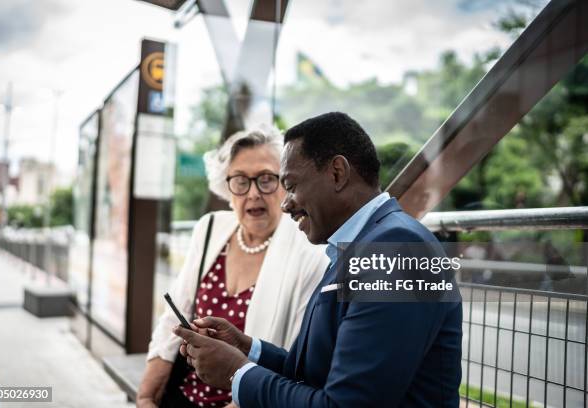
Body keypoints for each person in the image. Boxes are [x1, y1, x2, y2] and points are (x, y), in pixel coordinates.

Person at [174, 112, 463, 407]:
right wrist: (247, 349)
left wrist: (236, 373)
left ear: (337, 172)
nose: (286, 204)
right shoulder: (358, 246)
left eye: (292, 185)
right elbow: (317, 374)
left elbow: (343, 403)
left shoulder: (395, 251)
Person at [137, 126, 329, 408]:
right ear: (225, 186)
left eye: (266, 179)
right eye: (240, 180)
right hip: (183, 395)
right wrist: (146, 395)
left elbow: (293, 359)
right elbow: (173, 318)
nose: (253, 193)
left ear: (285, 183)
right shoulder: (210, 227)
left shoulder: (308, 250)